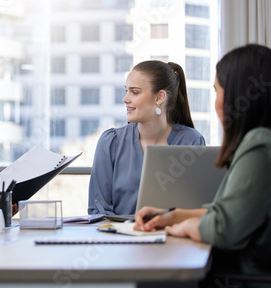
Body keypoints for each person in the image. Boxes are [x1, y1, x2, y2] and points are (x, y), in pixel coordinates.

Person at [134, 44, 271, 277]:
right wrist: (173, 216)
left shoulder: (259, 145)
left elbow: (223, 227)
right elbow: (225, 211)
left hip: (247, 277)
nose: (216, 102)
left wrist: (184, 226)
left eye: (217, 91)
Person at [88, 60, 205, 216]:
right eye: (126, 91)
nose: (125, 99)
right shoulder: (110, 142)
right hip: (119, 238)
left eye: (134, 92)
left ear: (159, 97)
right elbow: (98, 210)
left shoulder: (191, 141)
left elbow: (196, 209)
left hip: (173, 237)